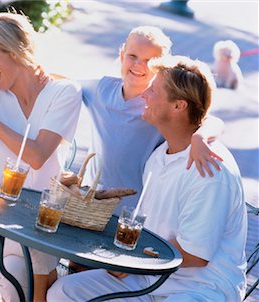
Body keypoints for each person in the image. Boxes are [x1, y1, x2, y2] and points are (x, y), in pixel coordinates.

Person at [47, 55, 248, 302]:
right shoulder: (158, 156)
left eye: (153, 91)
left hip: (199, 289)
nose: (144, 95)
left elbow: (196, 254)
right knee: (64, 292)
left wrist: (135, 258)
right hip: (148, 276)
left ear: (178, 106)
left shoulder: (209, 169)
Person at [0, 12, 81, 302]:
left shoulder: (64, 92)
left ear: (14, 49)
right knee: (31, 250)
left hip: (43, 222)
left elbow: (37, 156)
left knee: (16, 270)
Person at [78, 26, 224, 209]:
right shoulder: (102, 90)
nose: (139, 65)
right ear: (122, 56)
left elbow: (212, 120)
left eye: (149, 61)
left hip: (136, 208)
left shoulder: (160, 106)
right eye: (133, 56)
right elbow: (68, 85)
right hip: (93, 201)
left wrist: (200, 137)